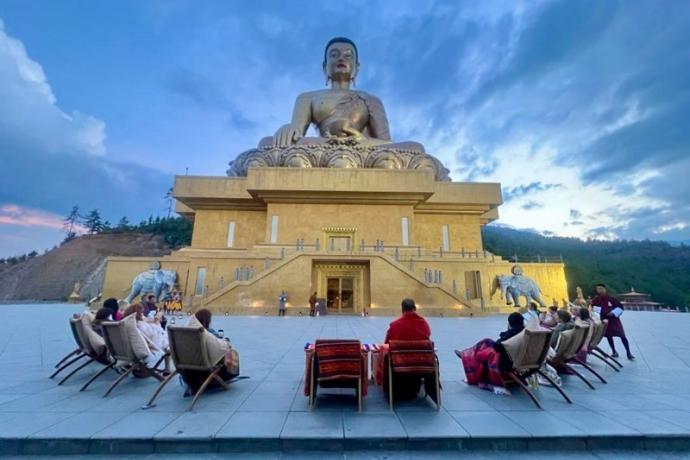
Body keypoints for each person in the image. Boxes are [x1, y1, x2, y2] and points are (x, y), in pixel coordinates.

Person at [373, 298, 432, 400]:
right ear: (415, 308)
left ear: (402, 309)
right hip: (420, 366)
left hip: (398, 366)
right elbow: (427, 337)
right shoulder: (424, 324)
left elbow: (387, 343)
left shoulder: (395, 325)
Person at [458, 313, 525, 394]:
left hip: (506, 360)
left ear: (510, 323)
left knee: (483, 353)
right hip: (517, 356)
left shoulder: (513, 334)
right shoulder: (524, 332)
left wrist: (508, 330)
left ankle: (468, 357)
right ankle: (469, 355)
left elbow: (497, 346)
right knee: (486, 341)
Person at [181, 308, 240, 395]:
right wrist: (226, 343)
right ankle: (217, 379)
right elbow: (220, 346)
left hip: (187, 370)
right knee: (230, 353)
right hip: (203, 369)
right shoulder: (203, 333)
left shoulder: (185, 333)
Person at [123, 304, 171, 373]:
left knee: (166, 341)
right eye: (141, 312)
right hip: (147, 348)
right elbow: (151, 335)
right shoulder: (140, 324)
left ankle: (167, 368)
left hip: (134, 348)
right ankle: (167, 368)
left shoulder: (130, 324)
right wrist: (157, 324)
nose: (143, 314)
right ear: (137, 314)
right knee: (168, 345)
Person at [591, 284, 635, 360]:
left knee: (622, 336)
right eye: (598, 289)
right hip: (605, 320)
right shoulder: (596, 299)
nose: (599, 290)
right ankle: (614, 351)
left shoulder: (612, 298)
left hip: (614, 319)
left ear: (605, 289)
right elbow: (594, 309)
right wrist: (599, 316)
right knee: (609, 336)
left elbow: (620, 307)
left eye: (601, 288)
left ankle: (628, 352)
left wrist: (613, 313)